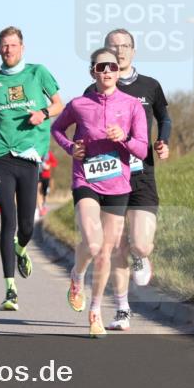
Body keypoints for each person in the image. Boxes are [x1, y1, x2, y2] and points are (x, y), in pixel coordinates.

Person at [52, 47, 148, 337]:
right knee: (93, 245)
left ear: (119, 72)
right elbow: (57, 129)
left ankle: (95, 312)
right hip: (86, 180)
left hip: (118, 185)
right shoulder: (79, 104)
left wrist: (125, 139)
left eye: (112, 67)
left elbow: (143, 149)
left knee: (106, 251)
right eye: (101, 67)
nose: (107, 72)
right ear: (92, 71)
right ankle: (77, 275)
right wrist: (71, 147)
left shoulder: (132, 105)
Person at [83, 29, 171, 331]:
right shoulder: (92, 90)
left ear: (133, 50)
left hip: (141, 172)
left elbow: (164, 118)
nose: (119, 51)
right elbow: (82, 127)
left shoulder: (150, 86)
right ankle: (122, 309)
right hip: (108, 174)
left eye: (124, 46)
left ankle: (141, 256)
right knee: (116, 246)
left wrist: (163, 141)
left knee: (141, 244)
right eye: (113, 47)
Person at [0, 26, 63, 311]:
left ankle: (21, 248)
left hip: (29, 155)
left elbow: (59, 105)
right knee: (8, 221)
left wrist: (43, 113)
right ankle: (10, 290)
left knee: (27, 226)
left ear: (22, 47)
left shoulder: (38, 73)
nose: (8, 50)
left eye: (13, 45)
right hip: (1, 154)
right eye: (4, 45)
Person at [38, 149, 58, 215]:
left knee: (44, 192)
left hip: (46, 175)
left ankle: (43, 204)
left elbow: (55, 162)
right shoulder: (37, 152)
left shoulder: (48, 153)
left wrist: (49, 165)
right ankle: (40, 208)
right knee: (39, 190)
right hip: (38, 174)